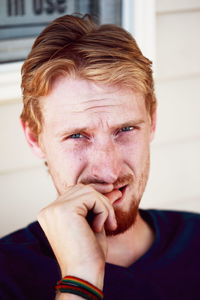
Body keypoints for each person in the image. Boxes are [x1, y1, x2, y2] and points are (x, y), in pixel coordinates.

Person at [0, 14, 200, 300]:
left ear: (152, 122)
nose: (109, 170)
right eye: (77, 136)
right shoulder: (7, 274)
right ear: (34, 138)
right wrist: (80, 277)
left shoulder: (196, 238)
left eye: (126, 129)